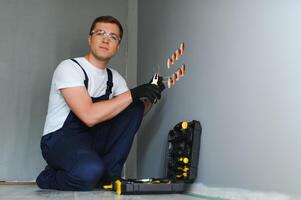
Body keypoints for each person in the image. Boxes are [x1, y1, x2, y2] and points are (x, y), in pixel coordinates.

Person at [36, 15, 165, 191]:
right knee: (88, 174)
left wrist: (151, 95)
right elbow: (88, 115)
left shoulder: (115, 78)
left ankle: (109, 176)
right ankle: (48, 177)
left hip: (93, 139)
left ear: (118, 46)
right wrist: (134, 93)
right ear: (90, 39)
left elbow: (133, 114)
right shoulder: (69, 68)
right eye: (100, 33)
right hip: (60, 139)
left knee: (134, 107)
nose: (106, 39)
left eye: (113, 37)